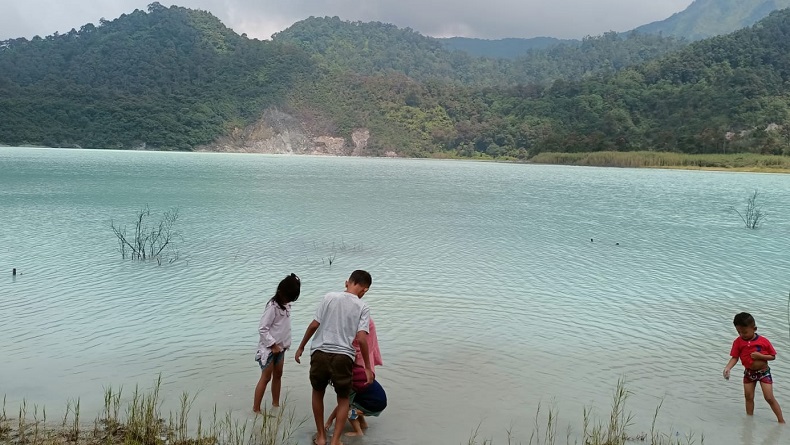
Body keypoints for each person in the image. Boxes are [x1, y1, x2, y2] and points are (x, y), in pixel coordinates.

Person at [295, 270, 375, 445]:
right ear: (365, 289)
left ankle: (321, 437)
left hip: (320, 353)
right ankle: (335, 440)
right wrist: (368, 367)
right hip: (343, 356)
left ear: (347, 282)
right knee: (343, 399)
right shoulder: (363, 307)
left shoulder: (329, 297)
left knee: (318, 392)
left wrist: (301, 346)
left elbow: (314, 324)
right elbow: (362, 338)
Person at [723, 312, 785, 423]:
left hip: (764, 372)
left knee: (769, 397)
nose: (742, 334)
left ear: (754, 328)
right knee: (748, 397)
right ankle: (749, 421)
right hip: (749, 373)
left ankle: (781, 421)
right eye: (739, 332)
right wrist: (728, 368)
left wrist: (760, 356)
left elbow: (773, 356)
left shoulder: (763, 341)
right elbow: (735, 357)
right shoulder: (738, 342)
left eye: (745, 332)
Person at [252, 273, 301, 414]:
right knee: (266, 377)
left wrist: (281, 346)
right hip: (269, 349)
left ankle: (276, 405)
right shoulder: (272, 307)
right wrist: (272, 345)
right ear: (280, 292)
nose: (289, 301)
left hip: (281, 348)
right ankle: (256, 409)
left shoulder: (286, 305)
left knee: (278, 375)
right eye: (288, 298)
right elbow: (262, 328)